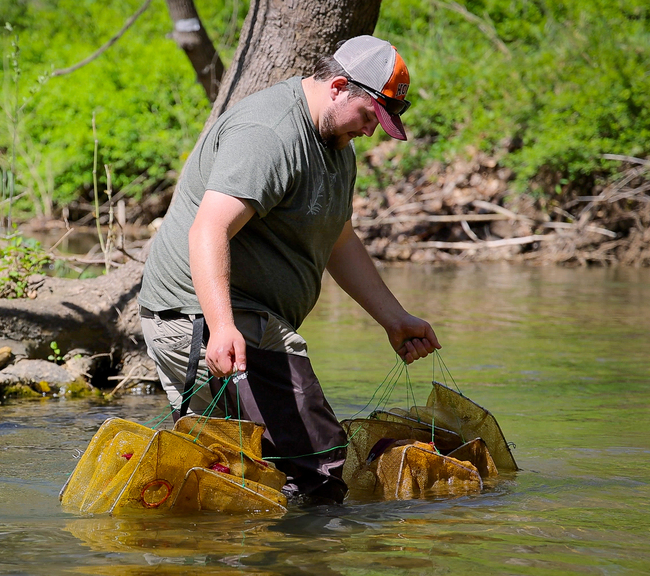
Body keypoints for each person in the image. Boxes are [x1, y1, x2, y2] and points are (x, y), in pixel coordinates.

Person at [137, 35, 440, 504]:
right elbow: (208, 231)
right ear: (339, 86)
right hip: (205, 319)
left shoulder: (335, 140)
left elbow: (338, 238)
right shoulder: (270, 134)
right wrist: (220, 327)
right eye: (369, 117)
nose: (370, 131)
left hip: (250, 319)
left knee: (240, 476)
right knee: (319, 466)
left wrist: (394, 319)